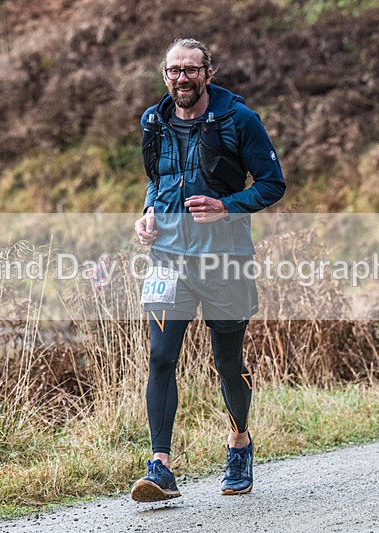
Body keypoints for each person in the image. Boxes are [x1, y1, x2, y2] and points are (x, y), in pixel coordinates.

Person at [131, 38, 285, 502]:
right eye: (174, 70)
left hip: (225, 263)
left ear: (208, 74)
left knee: (227, 363)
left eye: (191, 70)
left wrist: (226, 206)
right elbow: (156, 181)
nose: (182, 78)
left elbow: (272, 184)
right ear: (165, 76)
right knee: (161, 358)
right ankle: (160, 467)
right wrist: (146, 216)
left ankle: (239, 443)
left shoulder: (241, 120)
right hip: (167, 262)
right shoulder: (153, 122)